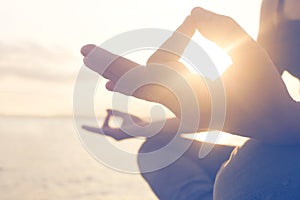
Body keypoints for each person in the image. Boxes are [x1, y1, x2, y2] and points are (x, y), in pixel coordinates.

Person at [81, 0, 300, 199]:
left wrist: (289, 123)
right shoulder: (274, 4)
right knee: (156, 152)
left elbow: (279, 117)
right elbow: (257, 97)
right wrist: (150, 125)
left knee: (249, 187)